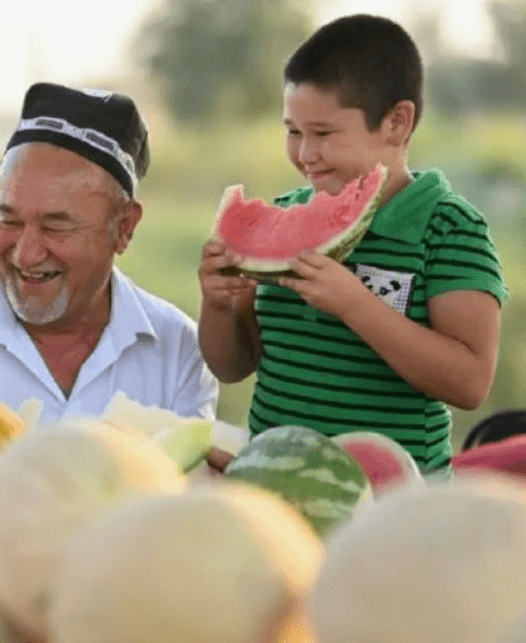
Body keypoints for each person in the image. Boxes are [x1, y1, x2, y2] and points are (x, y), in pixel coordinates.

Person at [198, 14, 507, 478]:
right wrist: (220, 306)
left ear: (397, 123)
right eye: (293, 131)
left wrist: (354, 304)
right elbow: (232, 367)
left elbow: (470, 383)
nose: (304, 154)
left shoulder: (448, 228)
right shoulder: (284, 216)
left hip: (393, 504)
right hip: (275, 486)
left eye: (323, 133)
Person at [0, 82, 218, 444]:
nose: (25, 254)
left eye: (55, 227)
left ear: (124, 228)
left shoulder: (178, 349)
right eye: (9, 221)